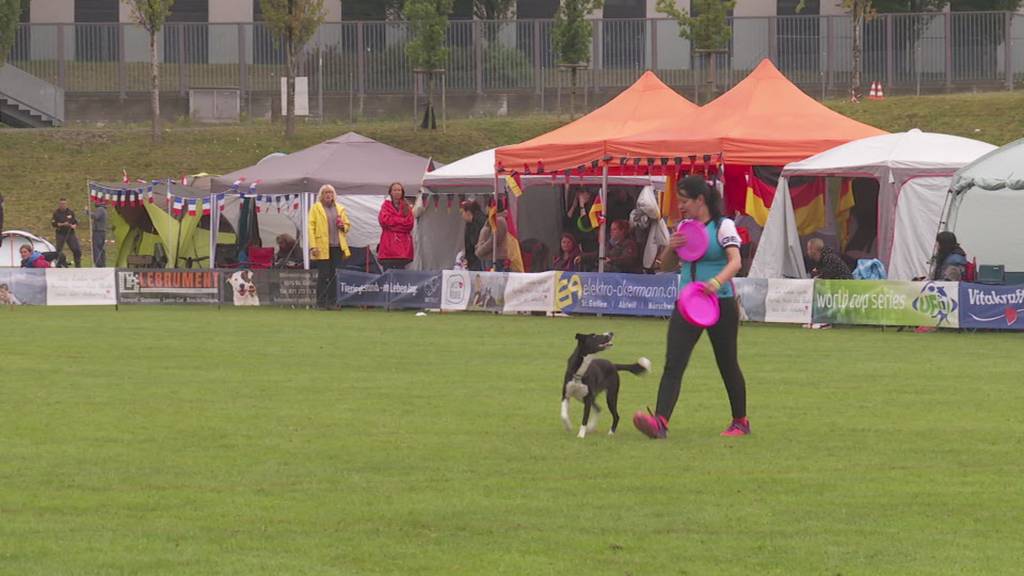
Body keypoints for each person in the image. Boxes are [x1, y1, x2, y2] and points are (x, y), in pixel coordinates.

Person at [633, 176, 750, 439]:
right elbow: (664, 267)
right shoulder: (684, 227)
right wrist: (671, 249)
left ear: (701, 200)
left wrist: (716, 281)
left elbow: (736, 262)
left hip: (719, 302)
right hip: (688, 303)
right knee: (674, 362)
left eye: (685, 201)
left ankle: (740, 421)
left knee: (727, 362)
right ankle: (660, 422)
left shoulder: (723, 226)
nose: (681, 206)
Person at [308, 185, 351, 309]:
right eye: (326, 192)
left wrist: (343, 226)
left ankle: (332, 302)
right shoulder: (316, 208)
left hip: (337, 246)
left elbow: (347, 225)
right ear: (321, 195)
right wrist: (313, 246)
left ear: (334, 195)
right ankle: (320, 302)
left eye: (330, 192)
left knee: (334, 275)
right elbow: (311, 227)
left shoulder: (340, 208)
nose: (328, 195)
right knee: (323, 275)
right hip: (322, 246)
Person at [377, 182, 415, 270]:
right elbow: (384, 221)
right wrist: (402, 222)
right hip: (388, 246)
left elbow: (409, 224)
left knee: (400, 276)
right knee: (388, 276)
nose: (397, 192)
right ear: (390, 192)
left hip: (403, 248)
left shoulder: (407, 207)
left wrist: (393, 222)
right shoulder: (385, 206)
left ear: (402, 192)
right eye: (395, 190)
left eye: (399, 190)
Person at [475, 204, 508, 271]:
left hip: (494, 257)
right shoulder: (491, 219)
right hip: (487, 257)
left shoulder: (499, 220)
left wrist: (480, 250)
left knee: (493, 280)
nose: (486, 208)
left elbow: (494, 240)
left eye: (488, 206)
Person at [51, 198, 82, 267]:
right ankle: (59, 264)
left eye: (64, 204)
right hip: (60, 233)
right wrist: (63, 224)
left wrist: (74, 225)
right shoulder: (56, 213)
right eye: (61, 204)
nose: (63, 205)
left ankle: (78, 265)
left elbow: (75, 221)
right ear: (59, 204)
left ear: (66, 204)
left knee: (76, 249)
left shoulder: (70, 212)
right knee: (59, 250)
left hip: (70, 233)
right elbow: (53, 224)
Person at [459, 200, 487, 271]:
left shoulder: (481, 221)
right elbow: (468, 244)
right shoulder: (469, 224)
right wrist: (467, 258)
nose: (461, 216)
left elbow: (476, 241)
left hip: (481, 258)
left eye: (462, 213)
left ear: (468, 212)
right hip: (474, 258)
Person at [89, 199, 108, 267]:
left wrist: (88, 212)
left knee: (96, 248)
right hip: (102, 231)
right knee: (101, 248)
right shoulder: (104, 209)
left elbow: (96, 216)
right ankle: (102, 263)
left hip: (98, 231)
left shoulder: (100, 209)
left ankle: (98, 264)